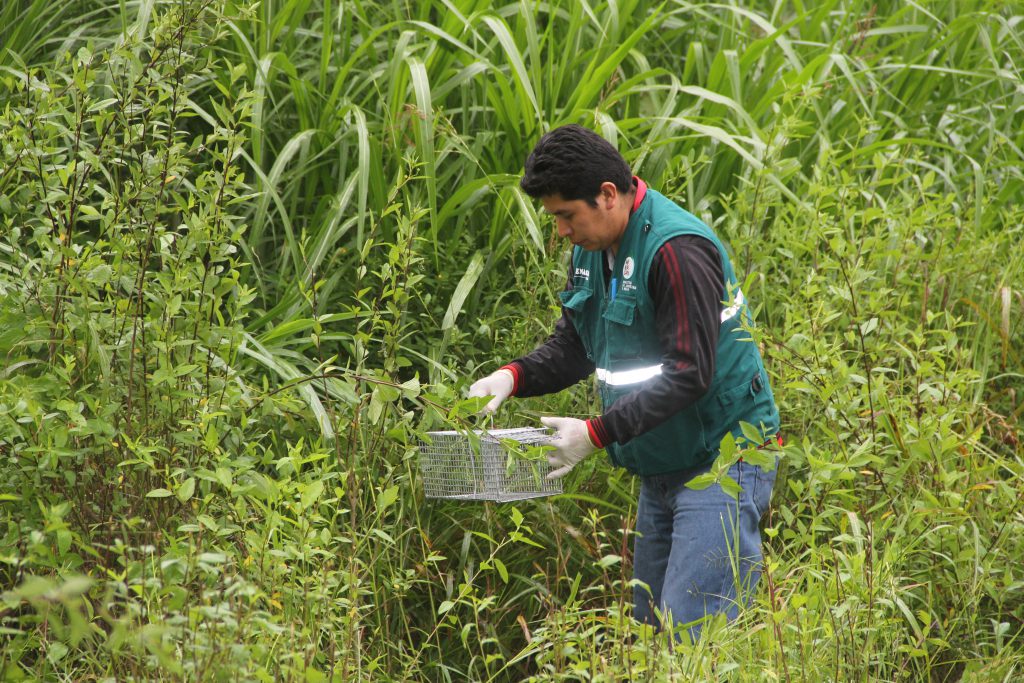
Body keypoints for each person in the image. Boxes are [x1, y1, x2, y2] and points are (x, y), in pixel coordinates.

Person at [467, 124, 781, 641]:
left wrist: (593, 434)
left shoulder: (677, 250)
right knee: (649, 632)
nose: (562, 231)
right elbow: (576, 344)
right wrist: (511, 376)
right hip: (660, 461)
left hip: (723, 458)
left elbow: (690, 374)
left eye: (566, 215)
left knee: (692, 635)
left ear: (608, 195)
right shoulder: (593, 248)